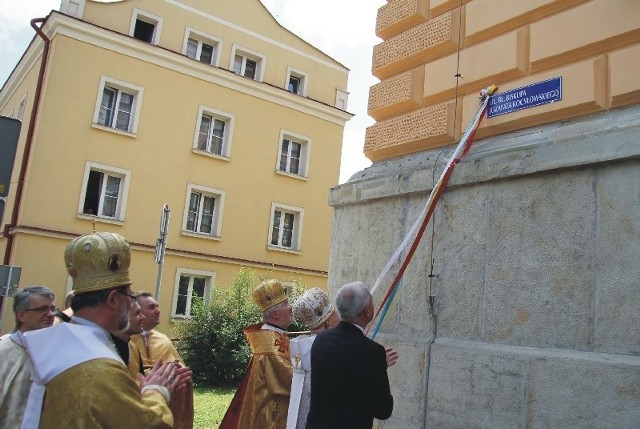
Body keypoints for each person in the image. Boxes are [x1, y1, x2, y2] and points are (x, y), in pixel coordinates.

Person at [20, 231, 191, 428]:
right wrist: (156, 390)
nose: (131, 304)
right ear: (112, 299)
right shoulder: (100, 367)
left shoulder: (56, 344)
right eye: (129, 296)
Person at [306, 281, 395, 429]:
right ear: (368, 311)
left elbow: (340, 375)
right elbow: (383, 410)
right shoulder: (372, 352)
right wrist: (378, 368)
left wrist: (375, 367)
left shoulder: (321, 339)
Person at [220, 279, 294, 429]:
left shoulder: (273, 335)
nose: (291, 308)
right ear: (275, 314)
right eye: (286, 304)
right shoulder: (271, 345)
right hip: (272, 415)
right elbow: (289, 379)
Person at [130, 291, 194, 429]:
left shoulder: (163, 339)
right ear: (138, 311)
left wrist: (177, 371)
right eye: (152, 307)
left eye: (157, 306)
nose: (158, 311)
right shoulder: (128, 339)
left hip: (171, 388)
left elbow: (179, 364)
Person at [0, 286, 56, 428]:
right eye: (42, 309)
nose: (50, 314)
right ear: (21, 315)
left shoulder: (57, 350)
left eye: (52, 309)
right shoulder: (4, 351)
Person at [286, 288, 340, 429]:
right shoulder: (332, 350)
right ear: (328, 322)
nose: (340, 318)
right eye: (335, 315)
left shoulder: (301, 345)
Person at [111, 300, 145, 379]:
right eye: (137, 313)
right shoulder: (105, 347)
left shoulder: (134, 348)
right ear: (121, 317)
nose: (143, 317)